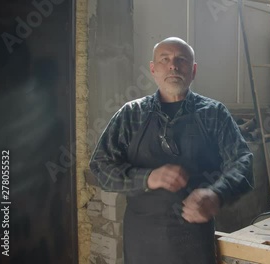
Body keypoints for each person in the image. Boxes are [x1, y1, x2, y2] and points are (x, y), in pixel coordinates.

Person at [89, 37, 254, 264]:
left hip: (194, 240)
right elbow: (100, 166)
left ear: (193, 70)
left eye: (181, 60)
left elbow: (242, 161)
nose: (173, 65)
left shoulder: (214, 113)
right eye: (164, 59)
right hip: (143, 241)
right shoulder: (131, 114)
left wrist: (217, 193)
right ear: (153, 69)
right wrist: (147, 177)